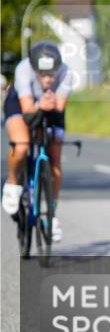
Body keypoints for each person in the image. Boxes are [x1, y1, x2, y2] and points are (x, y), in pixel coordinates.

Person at [2, 41, 72, 241]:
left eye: (52, 74)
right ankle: (13, 184)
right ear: (34, 69)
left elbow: (58, 107)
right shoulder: (23, 70)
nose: (49, 79)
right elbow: (27, 110)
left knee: (55, 155)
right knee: (22, 145)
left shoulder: (67, 74)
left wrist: (48, 105)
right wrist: (40, 104)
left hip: (51, 107)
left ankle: (52, 214)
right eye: (43, 74)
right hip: (22, 105)